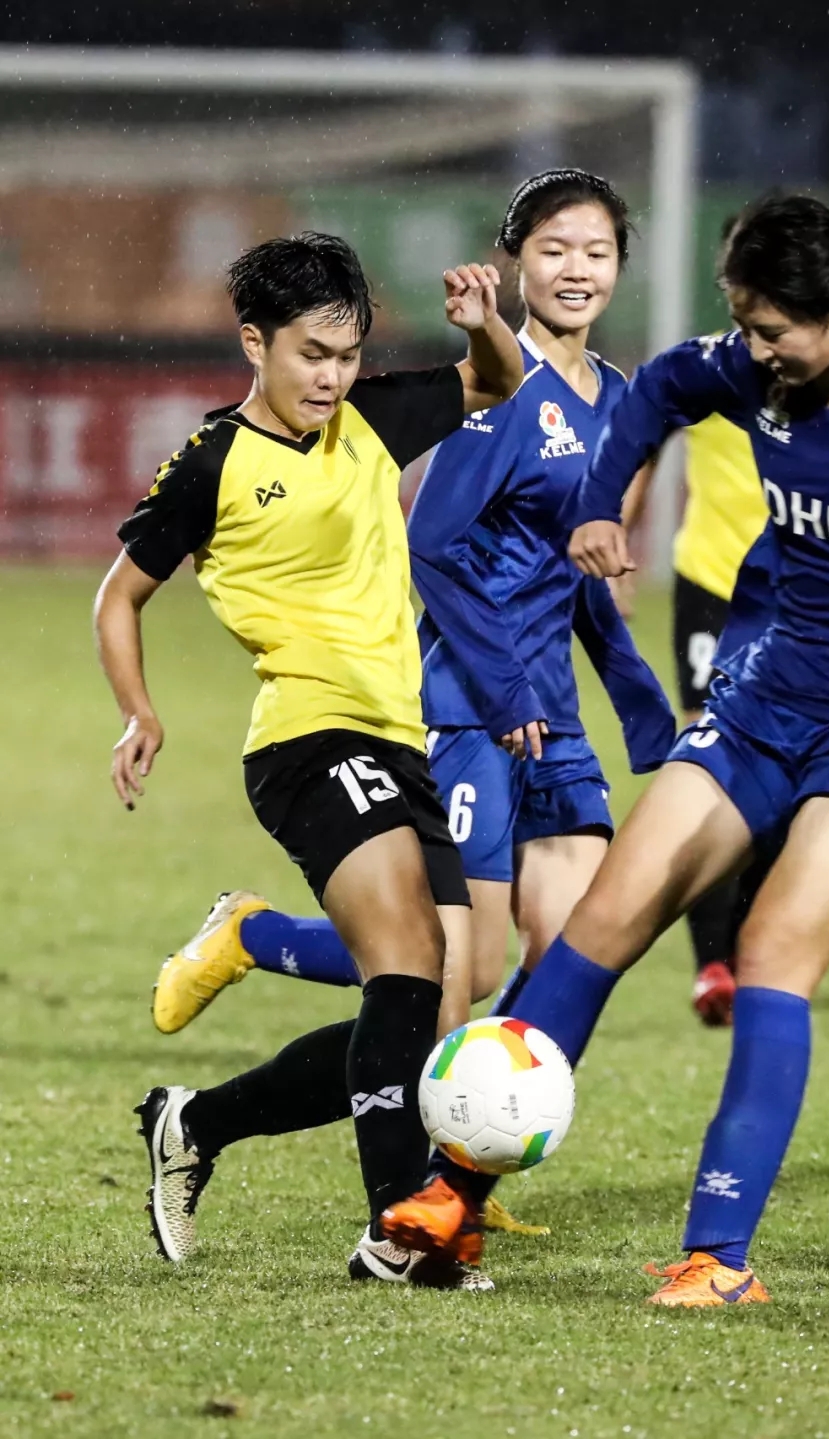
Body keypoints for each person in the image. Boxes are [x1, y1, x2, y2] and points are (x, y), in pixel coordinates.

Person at [376, 191, 829, 1304]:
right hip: (758, 706)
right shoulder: (761, 373)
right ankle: (450, 1200)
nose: (753, 351)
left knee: (772, 951)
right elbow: (662, 385)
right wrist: (600, 504)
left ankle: (719, 1256)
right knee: (604, 920)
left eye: (772, 329)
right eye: (743, 325)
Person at [129, 172, 674, 1260]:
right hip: (465, 710)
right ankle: (386, 1160)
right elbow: (437, 547)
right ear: (514, 262)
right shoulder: (481, 402)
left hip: (553, 719)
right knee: (436, 982)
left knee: (560, 954)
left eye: (598, 251)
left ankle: (446, 1165)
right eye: (555, 249)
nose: (577, 270)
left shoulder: (619, 401)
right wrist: (507, 689)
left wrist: (642, 707)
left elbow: (584, 571)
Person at [94, 231, 524, 1289]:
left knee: (440, 1001)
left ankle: (197, 1121)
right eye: (312, 354)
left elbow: (498, 381)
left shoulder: (369, 420)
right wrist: (139, 712)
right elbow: (119, 596)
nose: (332, 376)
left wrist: (486, 325)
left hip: (400, 742)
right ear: (256, 343)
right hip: (306, 738)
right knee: (410, 961)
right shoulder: (213, 460)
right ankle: (399, 1235)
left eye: (347, 354)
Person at [620, 397, 767, 1026]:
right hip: (712, 584)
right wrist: (617, 534)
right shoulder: (708, 372)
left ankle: (748, 950)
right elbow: (641, 443)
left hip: (797, 591)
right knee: (711, 768)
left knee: (785, 777)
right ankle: (713, 964)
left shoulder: (820, 367)